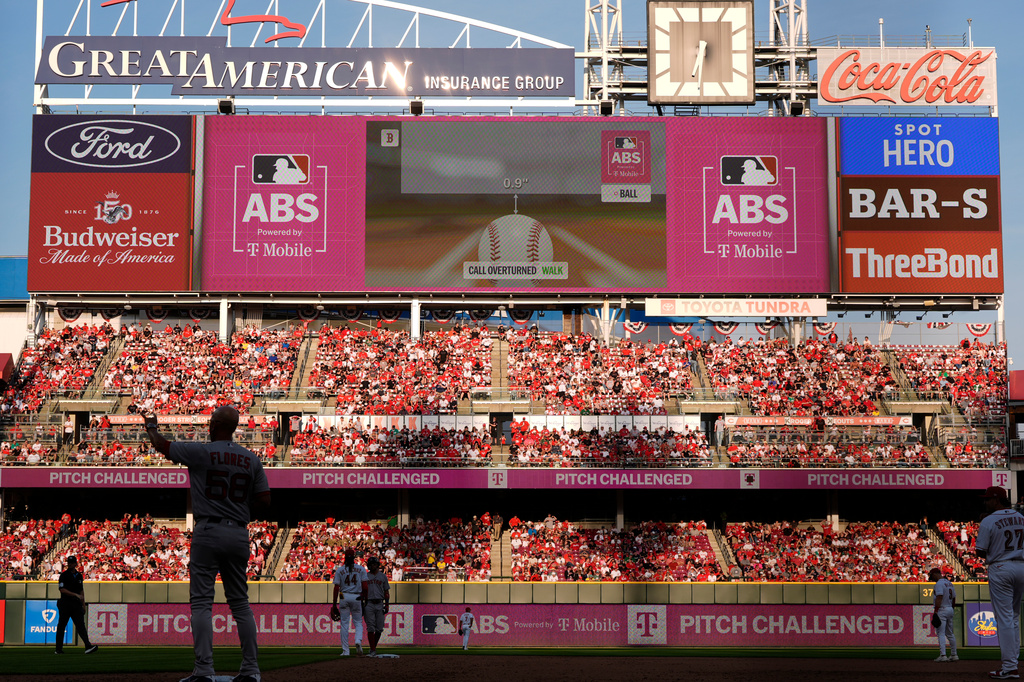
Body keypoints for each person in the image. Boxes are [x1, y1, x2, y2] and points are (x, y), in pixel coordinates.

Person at [145, 405, 270, 682]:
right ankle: (251, 670)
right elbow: (265, 500)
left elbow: (162, 446)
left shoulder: (202, 452)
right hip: (238, 531)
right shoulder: (251, 458)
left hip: (208, 528)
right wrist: (237, 507)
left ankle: (204, 670)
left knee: (201, 603)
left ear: (213, 425)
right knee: (240, 604)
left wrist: (151, 426)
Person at [976, 485, 1024, 680]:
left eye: (988, 499)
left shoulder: (988, 520)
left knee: (1004, 618)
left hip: (1001, 568)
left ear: (996, 500)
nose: (985, 502)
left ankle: (1010, 667)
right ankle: (1013, 662)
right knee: (1013, 617)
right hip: (1021, 566)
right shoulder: (1021, 518)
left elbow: (980, 551)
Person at [54, 556, 98, 655]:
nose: (70, 564)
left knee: (81, 625)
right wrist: (76, 595)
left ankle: (88, 646)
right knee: (61, 626)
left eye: (72, 562)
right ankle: (58, 649)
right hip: (65, 602)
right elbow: (62, 589)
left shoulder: (78, 575)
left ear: (75, 564)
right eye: (69, 562)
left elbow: (81, 591)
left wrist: (83, 604)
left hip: (76, 603)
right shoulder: (64, 575)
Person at [331, 548, 367, 656]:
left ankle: (346, 651)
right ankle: (358, 641)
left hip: (344, 597)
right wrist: (365, 599)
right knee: (358, 622)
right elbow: (365, 587)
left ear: (345, 558)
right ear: (354, 557)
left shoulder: (340, 570)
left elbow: (336, 588)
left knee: (344, 625)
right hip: (357, 597)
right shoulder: (361, 569)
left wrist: (334, 604)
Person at [362, 556, 390, 657]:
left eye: (374, 564)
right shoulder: (365, 576)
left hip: (379, 603)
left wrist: (386, 605)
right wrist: (362, 605)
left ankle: (373, 647)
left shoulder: (382, 576)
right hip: (368, 603)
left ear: (377, 565)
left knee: (379, 629)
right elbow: (362, 592)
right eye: (371, 564)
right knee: (370, 628)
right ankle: (373, 649)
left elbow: (386, 592)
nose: (372, 566)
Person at [929, 567, 958, 662]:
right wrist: (951, 609)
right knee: (950, 633)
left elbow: (939, 597)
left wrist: (936, 611)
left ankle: (943, 655)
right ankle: (954, 655)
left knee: (941, 633)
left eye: (932, 576)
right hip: (950, 608)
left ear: (935, 574)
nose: (932, 578)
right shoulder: (949, 583)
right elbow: (954, 598)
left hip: (942, 609)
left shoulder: (939, 584)